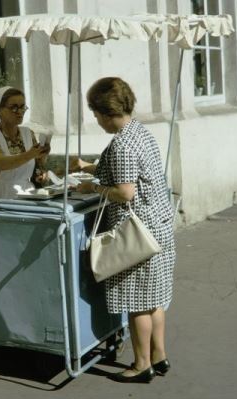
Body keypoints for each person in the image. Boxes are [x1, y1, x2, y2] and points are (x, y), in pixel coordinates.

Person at [72, 77, 175, 383]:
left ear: (105, 114)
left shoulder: (121, 144)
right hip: (159, 225)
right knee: (154, 299)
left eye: (95, 114)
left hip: (136, 232)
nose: (96, 120)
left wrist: (93, 186)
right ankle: (159, 356)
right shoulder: (138, 131)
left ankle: (141, 364)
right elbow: (130, 171)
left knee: (137, 304)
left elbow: (125, 192)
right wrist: (91, 166)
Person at [0, 86, 50, 199]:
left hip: (26, 193)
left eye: (22, 107)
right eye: (14, 108)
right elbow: (1, 163)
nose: (20, 112)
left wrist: (43, 154)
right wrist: (30, 154)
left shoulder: (27, 133)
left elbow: (37, 165)